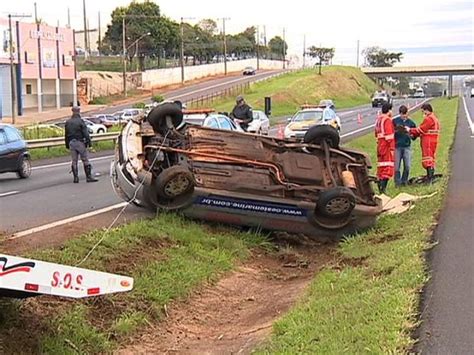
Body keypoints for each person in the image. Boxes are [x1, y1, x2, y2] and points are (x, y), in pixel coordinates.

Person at [64, 106, 98, 183]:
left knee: (74, 161)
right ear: (79, 111)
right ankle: (88, 177)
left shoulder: (68, 122)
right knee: (85, 160)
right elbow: (86, 134)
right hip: (80, 142)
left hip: (71, 143)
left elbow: (66, 135)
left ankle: (75, 178)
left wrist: (67, 145)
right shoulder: (81, 121)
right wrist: (89, 144)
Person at [408, 103, 440, 182]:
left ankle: (430, 177)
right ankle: (430, 175)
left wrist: (409, 130)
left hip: (428, 141)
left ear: (427, 110)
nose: (423, 114)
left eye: (423, 111)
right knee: (430, 157)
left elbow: (421, 129)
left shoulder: (429, 119)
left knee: (427, 158)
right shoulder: (434, 118)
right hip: (432, 140)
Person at [393, 105, 417, 186]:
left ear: (407, 113)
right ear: (399, 114)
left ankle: (404, 181)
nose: (404, 116)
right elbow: (391, 132)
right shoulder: (395, 121)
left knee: (407, 166)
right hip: (397, 146)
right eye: (402, 114)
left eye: (405, 114)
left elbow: (414, 136)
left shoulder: (411, 123)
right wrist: (396, 130)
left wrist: (409, 133)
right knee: (396, 167)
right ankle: (397, 182)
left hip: (407, 146)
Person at [374, 103, 395, 194]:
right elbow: (389, 136)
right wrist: (392, 148)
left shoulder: (378, 119)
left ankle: (380, 189)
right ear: (389, 110)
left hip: (380, 145)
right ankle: (383, 190)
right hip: (386, 145)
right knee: (387, 168)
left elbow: (376, 133)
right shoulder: (387, 120)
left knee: (381, 168)